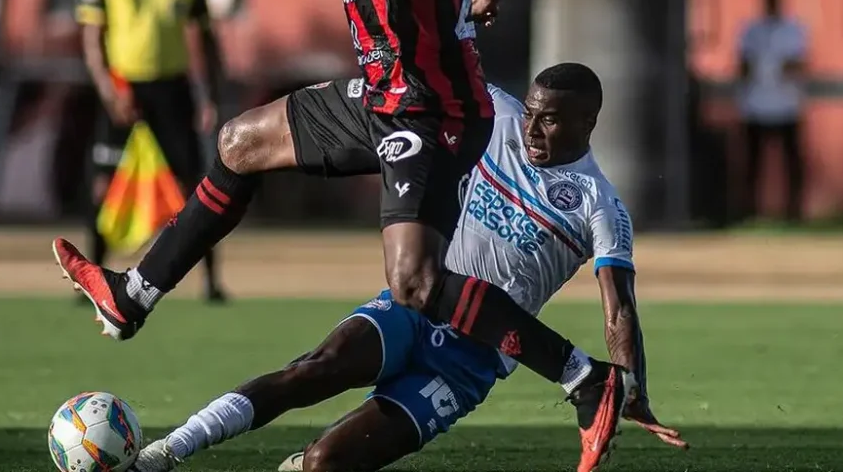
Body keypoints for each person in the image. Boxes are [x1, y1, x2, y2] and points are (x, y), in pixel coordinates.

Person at [55, 0, 631, 469]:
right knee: (239, 143)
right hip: (382, 98)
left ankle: (583, 377)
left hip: (430, 110)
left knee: (413, 281)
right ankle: (134, 291)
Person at [127, 66, 688, 472]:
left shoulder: (600, 204)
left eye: (550, 121)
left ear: (588, 121)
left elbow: (619, 310)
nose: (532, 130)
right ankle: (168, 451)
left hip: (470, 363)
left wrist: (631, 384)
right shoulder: (498, 118)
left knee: (326, 462)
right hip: (415, 305)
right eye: (532, 113)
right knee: (314, 369)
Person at [75, 0, 228, 302]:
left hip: (171, 89)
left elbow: (204, 40)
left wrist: (209, 95)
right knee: (103, 185)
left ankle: (210, 280)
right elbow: (92, 38)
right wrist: (109, 91)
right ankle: (92, 276)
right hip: (123, 88)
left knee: (196, 186)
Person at [736, 0, 808, 222]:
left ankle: (794, 212)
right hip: (755, 104)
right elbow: (742, 64)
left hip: (786, 104)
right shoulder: (751, 30)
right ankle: (749, 211)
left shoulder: (792, 29)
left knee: (792, 163)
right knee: (753, 164)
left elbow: (797, 63)